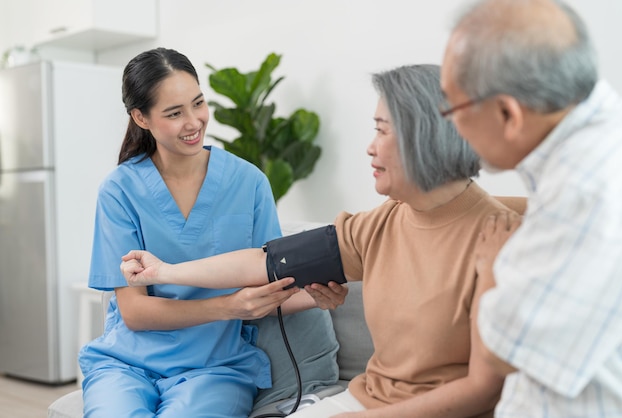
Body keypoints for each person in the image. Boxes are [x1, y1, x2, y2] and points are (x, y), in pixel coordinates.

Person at [121, 64, 519, 418]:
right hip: (369, 399)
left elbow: (485, 390)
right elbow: (263, 262)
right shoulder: (381, 224)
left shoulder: (498, 239)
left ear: (424, 137)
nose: (369, 146)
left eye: (381, 130)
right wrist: (167, 271)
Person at [77, 47, 333, 418]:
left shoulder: (249, 183)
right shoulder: (119, 190)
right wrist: (228, 307)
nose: (194, 121)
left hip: (216, 369)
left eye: (198, 103)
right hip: (126, 364)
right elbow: (134, 312)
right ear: (141, 118)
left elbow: (274, 283)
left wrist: (324, 293)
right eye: (174, 113)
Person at [440, 0, 622, 416]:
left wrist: (489, 272)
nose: (449, 126)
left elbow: (507, 349)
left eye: (451, 108)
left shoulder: (586, 190)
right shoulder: (595, 150)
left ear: (508, 113)